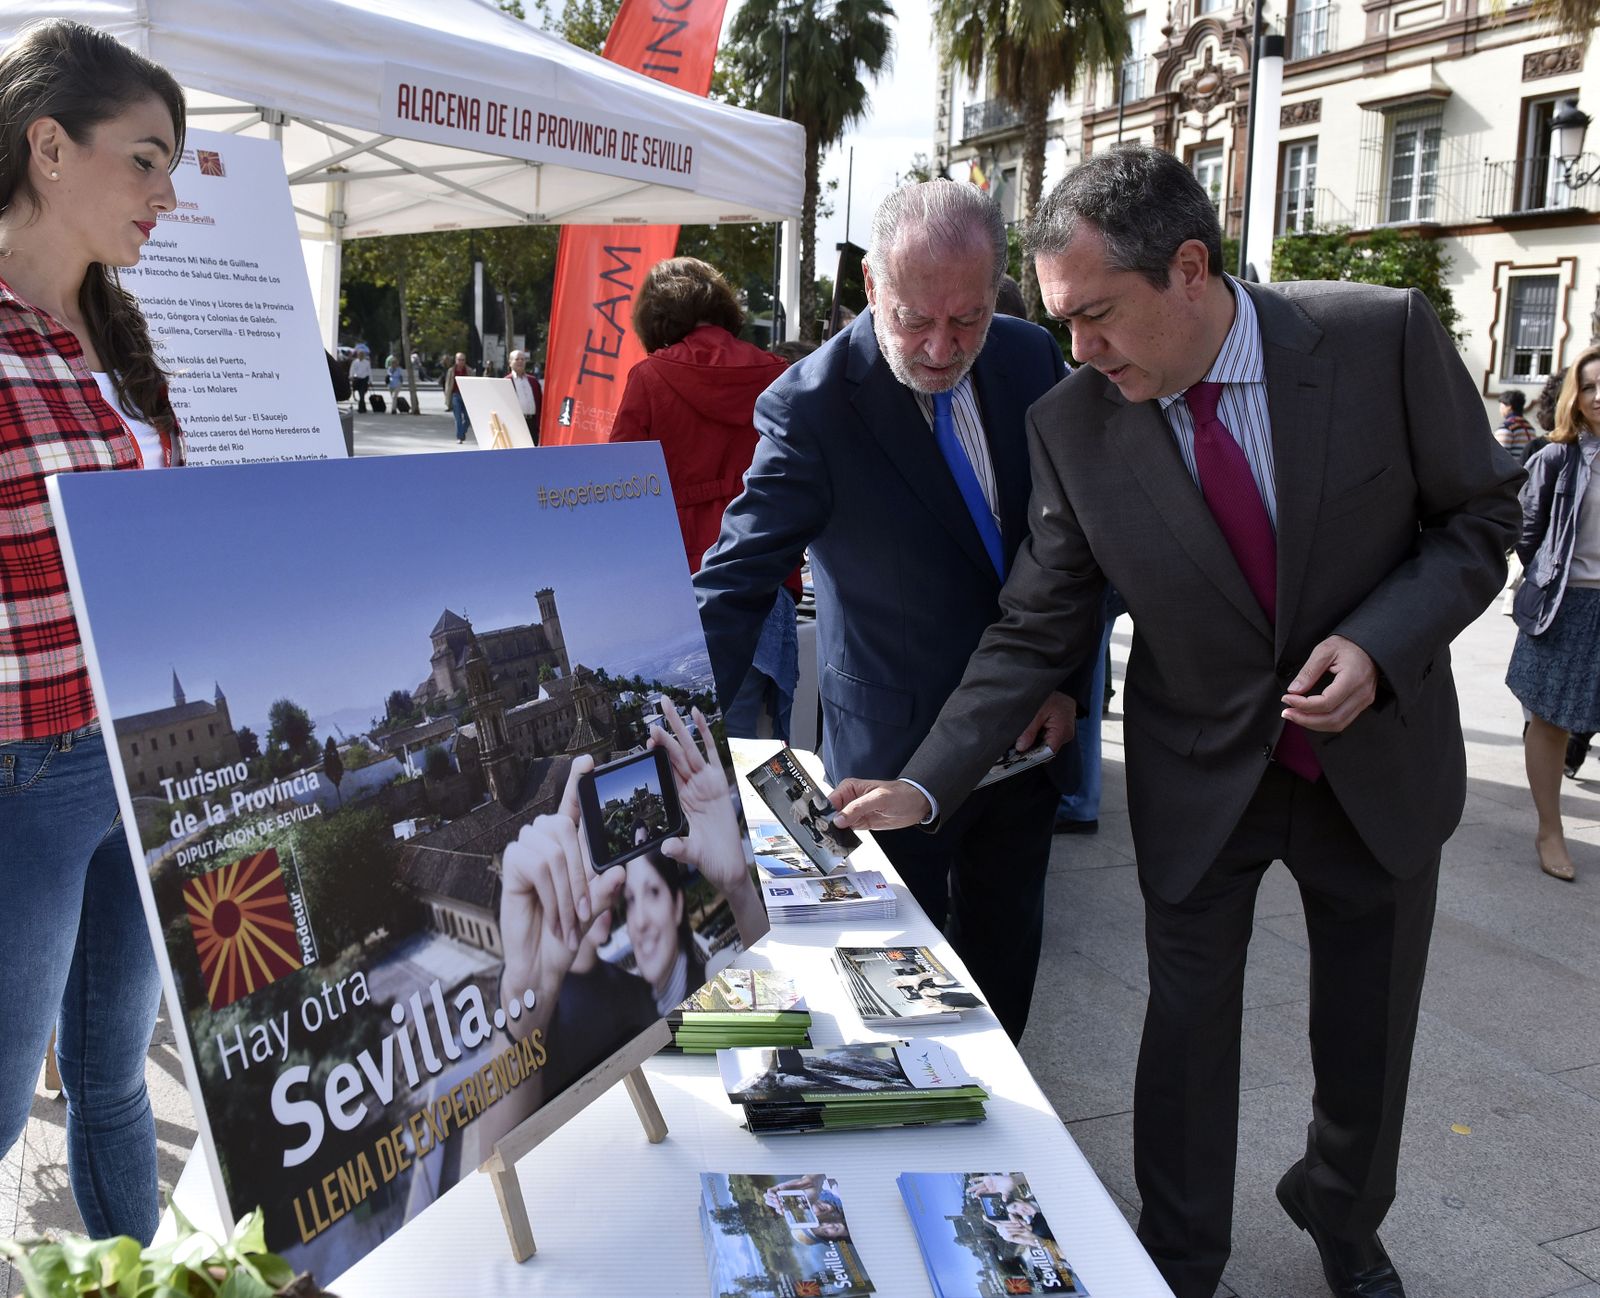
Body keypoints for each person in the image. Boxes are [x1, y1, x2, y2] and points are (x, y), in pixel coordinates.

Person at [830, 148, 1523, 1298]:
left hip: (1378, 761)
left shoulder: (1376, 336)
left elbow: (1478, 514)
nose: (1079, 350)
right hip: (1202, 771)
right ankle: (1180, 1254)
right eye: (1060, 322)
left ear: (1188, 270)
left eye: (1096, 314)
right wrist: (926, 781)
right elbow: (1030, 627)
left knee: (1367, 1028)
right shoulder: (1073, 423)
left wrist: (1382, 641)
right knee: (1187, 1031)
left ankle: (1343, 1219)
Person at [695, 180, 1085, 1044]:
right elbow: (734, 584)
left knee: (1003, 963)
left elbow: (1078, 549)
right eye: (914, 318)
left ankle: (991, 1145)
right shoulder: (814, 406)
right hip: (889, 758)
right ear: (872, 285)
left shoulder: (1026, 359)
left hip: (1024, 743)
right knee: (890, 996)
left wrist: (1064, 681)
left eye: (969, 318)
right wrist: (661, 739)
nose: (943, 348)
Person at [0, 19, 189, 1245]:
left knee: (115, 1075)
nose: (167, 197)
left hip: (132, 757)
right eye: (149, 160)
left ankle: (135, 1272)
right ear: (50, 148)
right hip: (22, 768)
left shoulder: (114, 335)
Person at [495, 704, 765, 1104]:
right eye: (630, 899)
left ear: (677, 904)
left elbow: (778, 1019)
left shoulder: (691, 979)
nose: (638, 920)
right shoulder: (625, 993)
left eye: (652, 893)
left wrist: (740, 889)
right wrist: (526, 999)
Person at [608, 257, 797, 740]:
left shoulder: (648, 378)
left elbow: (615, 495)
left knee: (695, 739)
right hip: (764, 574)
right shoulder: (781, 373)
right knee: (755, 746)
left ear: (656, 317)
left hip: (682, 582)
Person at [1506, 347, 1600, 881]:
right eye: (1588, 387)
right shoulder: (1556, 457)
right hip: (1568, 603)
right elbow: (1528, 533)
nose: (1598, 396)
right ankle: (1550, 829)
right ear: (1574, 397)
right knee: (1549, 718)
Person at [507, 348, 541, 442]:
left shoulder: (533, 381)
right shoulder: (506, 381)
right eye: (517, 359)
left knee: (532, 452)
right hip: (516, 423)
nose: (520, 361)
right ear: (510, 362)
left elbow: (540, 403)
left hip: (532, 423)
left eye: (523, 359)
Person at [1496, 388, 1536, 463]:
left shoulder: (1507, 427)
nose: (1500, 409)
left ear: (1509, 407)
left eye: (1501, 406)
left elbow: (1499, 456)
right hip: (1527, 471)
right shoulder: (1530, 428)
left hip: (1511, 472)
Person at [443, 350, 469, 443]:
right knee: (458, 417)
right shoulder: (451, 371)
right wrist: (447, 397)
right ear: (456, 360)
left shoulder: (469, 370)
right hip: (455, 395)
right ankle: (459, 437)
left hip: (466, 396)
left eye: (463, 360)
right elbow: (447, 384)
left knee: (467, 417)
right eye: (459, 359)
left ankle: (462, 432)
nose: (461, 361)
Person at [348, 343, 371, 412]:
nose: (361, 356)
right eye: (359, 354)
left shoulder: (367, 362)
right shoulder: (355, 362)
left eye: (362, 355)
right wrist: (351, 376)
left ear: (364, 355)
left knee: (362, 394)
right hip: (357, 379)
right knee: (361, 394)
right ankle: (363, 408)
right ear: (358, 355)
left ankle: (361, 409)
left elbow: (369, 372)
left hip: (364, 379)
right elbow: (352, 369)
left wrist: (370, 381)